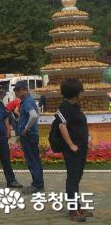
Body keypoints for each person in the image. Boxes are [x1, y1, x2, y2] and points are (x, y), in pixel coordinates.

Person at [56, 79, 91, 222]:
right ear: (75, 92)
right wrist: (71, 145)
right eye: (81, 90)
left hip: (81, 147)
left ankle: (77, 206)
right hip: (73, 149)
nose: (83, 92)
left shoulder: (75, 106)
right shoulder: (64, 107)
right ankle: (73, 210)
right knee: (73, 178)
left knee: (77, 177)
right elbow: (62, 126)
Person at [14, 81, 43, 195]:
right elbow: (37, 113)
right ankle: (38, 183)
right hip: (31, 134)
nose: (15, 92)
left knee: (32, 159)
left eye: (17, 90)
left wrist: (25, 128)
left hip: (29, 135)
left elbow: (34, 116)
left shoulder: (27, 101)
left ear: (24, 90)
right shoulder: (28, 101)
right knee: (34, 158)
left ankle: (37, 184)